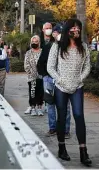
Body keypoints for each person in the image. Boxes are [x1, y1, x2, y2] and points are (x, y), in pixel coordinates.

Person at [47, 18, 92, 166]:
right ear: (67, 30)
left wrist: (80, 78)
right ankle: (61, 148)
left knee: (79, 116)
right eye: (73, 28)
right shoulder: (57, 46)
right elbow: (50, 67)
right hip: (61, 87)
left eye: (78, 28)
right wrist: (59, 79)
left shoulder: (84, 47)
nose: (76, 30)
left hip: (77, 86)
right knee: (62, 116)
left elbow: (87, 66)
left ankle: (83, 151)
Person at [38, 24, 72, 138]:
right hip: (49, 79)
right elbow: (41, 62)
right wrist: (45, 76)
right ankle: (52, 128)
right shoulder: (49, 46)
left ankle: (65, 130)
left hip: (64, 79)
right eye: (57, 32)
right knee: (50, 104)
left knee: (65, 105)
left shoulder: (69, 47)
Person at [24, 35, 44, 116]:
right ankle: (32, 108)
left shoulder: (42, 52)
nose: (34, 43)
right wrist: (31, 73)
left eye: (36, 41)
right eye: (33, 41)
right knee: (32, 92)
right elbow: (26, 64)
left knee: (40, 93)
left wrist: (42, 73)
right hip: (31, 77)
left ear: (39, 42)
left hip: (41, 76)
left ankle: (39, 108)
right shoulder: (28, 53)